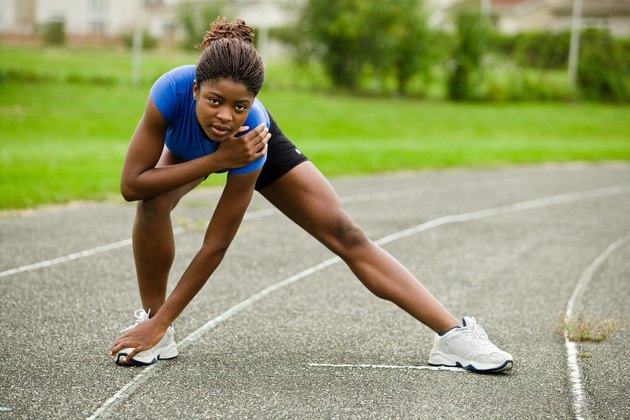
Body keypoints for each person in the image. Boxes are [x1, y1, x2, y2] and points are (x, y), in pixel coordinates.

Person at [110, 17, 513, 373]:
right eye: (215, 101)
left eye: (239, 105)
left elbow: (216, 243)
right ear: (196, 89)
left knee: (346, 232)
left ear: (251, 104)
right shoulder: (169, 92)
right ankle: (152, 324)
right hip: (202, 153)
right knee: (152, 203)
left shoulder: (254, 130)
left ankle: (454, 335)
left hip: (245, 152)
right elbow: (132, 185)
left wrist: (232, 155)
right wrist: (215, 160)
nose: (225, 116)